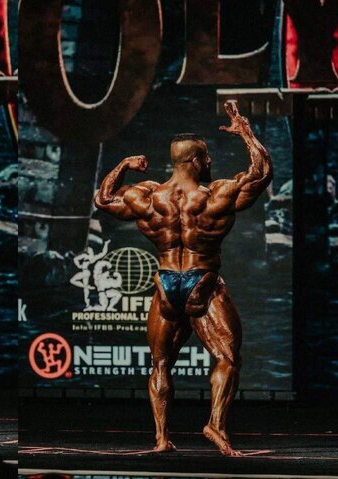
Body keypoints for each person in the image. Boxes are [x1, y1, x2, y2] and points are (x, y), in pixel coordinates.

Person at [94, 101, 272, 456]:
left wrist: (124, 164)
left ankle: (161, 438)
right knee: (227, 357)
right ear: (195, 161)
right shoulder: (216, 194)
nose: (209, 162)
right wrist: (245, 131)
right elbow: (262, 173)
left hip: (166, 285)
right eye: (205, 158)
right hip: (201, 284)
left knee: (160, 364)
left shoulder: (148, 196)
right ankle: (215, 425)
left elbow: (104, 199)